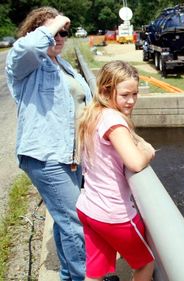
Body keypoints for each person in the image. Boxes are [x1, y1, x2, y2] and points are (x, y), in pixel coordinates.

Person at [5, 6, 91, 281]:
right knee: (76, 220)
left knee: (65, 219)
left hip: (71, 155)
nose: (59, 36)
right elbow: (26, 48)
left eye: (63, 32)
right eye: (53, 31)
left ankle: (68, 274)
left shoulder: (63, 66)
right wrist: (56, 22)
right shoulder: (27, 65)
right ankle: (83, 276)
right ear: (35, 32)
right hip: (45, 156)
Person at [76, 60, 156, 281]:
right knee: (146, 264)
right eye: (125, 95)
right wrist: (148, 150)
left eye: (135, 94)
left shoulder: (93, 113)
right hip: (114, 214)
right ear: (105, 91)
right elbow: (136, 163)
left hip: (88, 207)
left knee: (95, 272)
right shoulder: (113, 120)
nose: (131, 101)